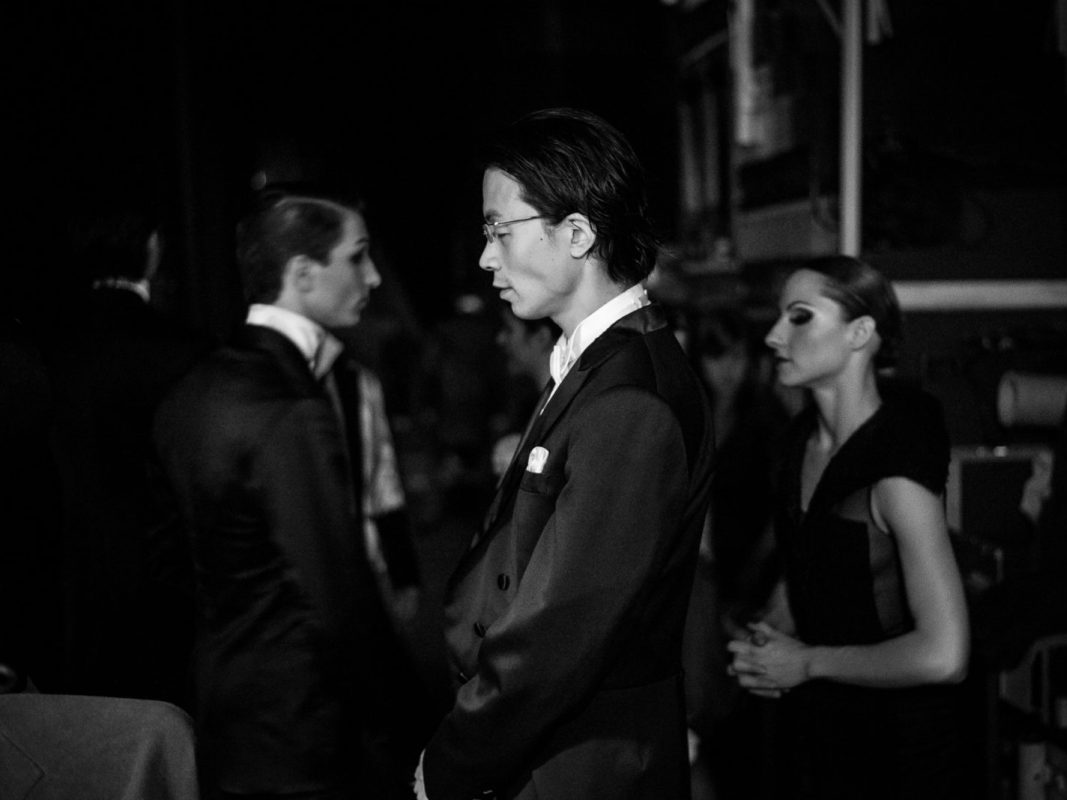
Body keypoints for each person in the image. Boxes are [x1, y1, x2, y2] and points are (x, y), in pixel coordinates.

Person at [415, 107, 716, 800]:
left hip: (579, 763)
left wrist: (455, 759)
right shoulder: (597, 366)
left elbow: (562, 627)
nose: (486, 257)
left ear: (578, 233)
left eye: (499, 230)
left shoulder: (629, 398)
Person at [153, 188, 414, 799]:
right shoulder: (289, 404)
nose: (374, 277)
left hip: (221, 706)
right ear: (302, 273)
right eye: (357, 256)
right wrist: (416, 728)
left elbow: (171, 561)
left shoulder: (195, 386)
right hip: (299, 724)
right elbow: (338, 592)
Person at [726, 255, 971, 800]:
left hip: (901, 755)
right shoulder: (797, 446)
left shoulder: (895, 468)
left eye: (800, 317)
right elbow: (818, 575)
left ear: (860, 333)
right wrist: (766, 641)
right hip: (825, 740)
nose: (774, 336)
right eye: (779, 317)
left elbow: (945, 654)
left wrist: (806, 663)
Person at [40, 201, 213, 707]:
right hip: (165, 596)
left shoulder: (44, 349)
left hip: (63, 591)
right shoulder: (186, 351)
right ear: (152, 248)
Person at [488, 308, 558, 479]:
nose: (500, 339)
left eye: (509, 329)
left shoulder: (564, 406)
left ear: (541, 337)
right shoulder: (530, 405)